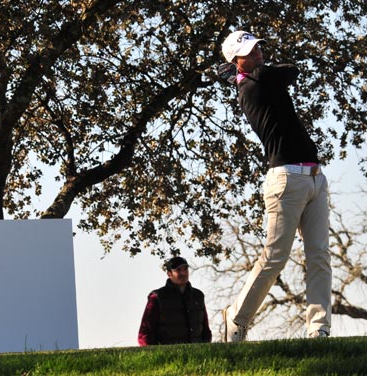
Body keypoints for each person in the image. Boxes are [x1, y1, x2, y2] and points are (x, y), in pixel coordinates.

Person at [219, 30, 332, 341]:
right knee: (275, 257)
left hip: (314, 178)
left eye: (259, 49)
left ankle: (319, 328)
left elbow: (280, 72)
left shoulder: (257, 78)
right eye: (251, 52)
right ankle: (237, 318)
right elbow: (289, 71)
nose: (259, 54)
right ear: (237, 60)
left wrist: (238, 71)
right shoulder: (253, 86)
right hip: (285, 179)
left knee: (320, 255)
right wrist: (242, 73)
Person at [138, 256, 212, 346]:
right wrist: (153, 355)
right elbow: (145, 334)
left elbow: (205, 329)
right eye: (178, 270)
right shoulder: (157, 297)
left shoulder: (198, 296)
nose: (183, 273)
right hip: (167, 356)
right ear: (169, 274)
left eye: (185, 269)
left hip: (197, 355)